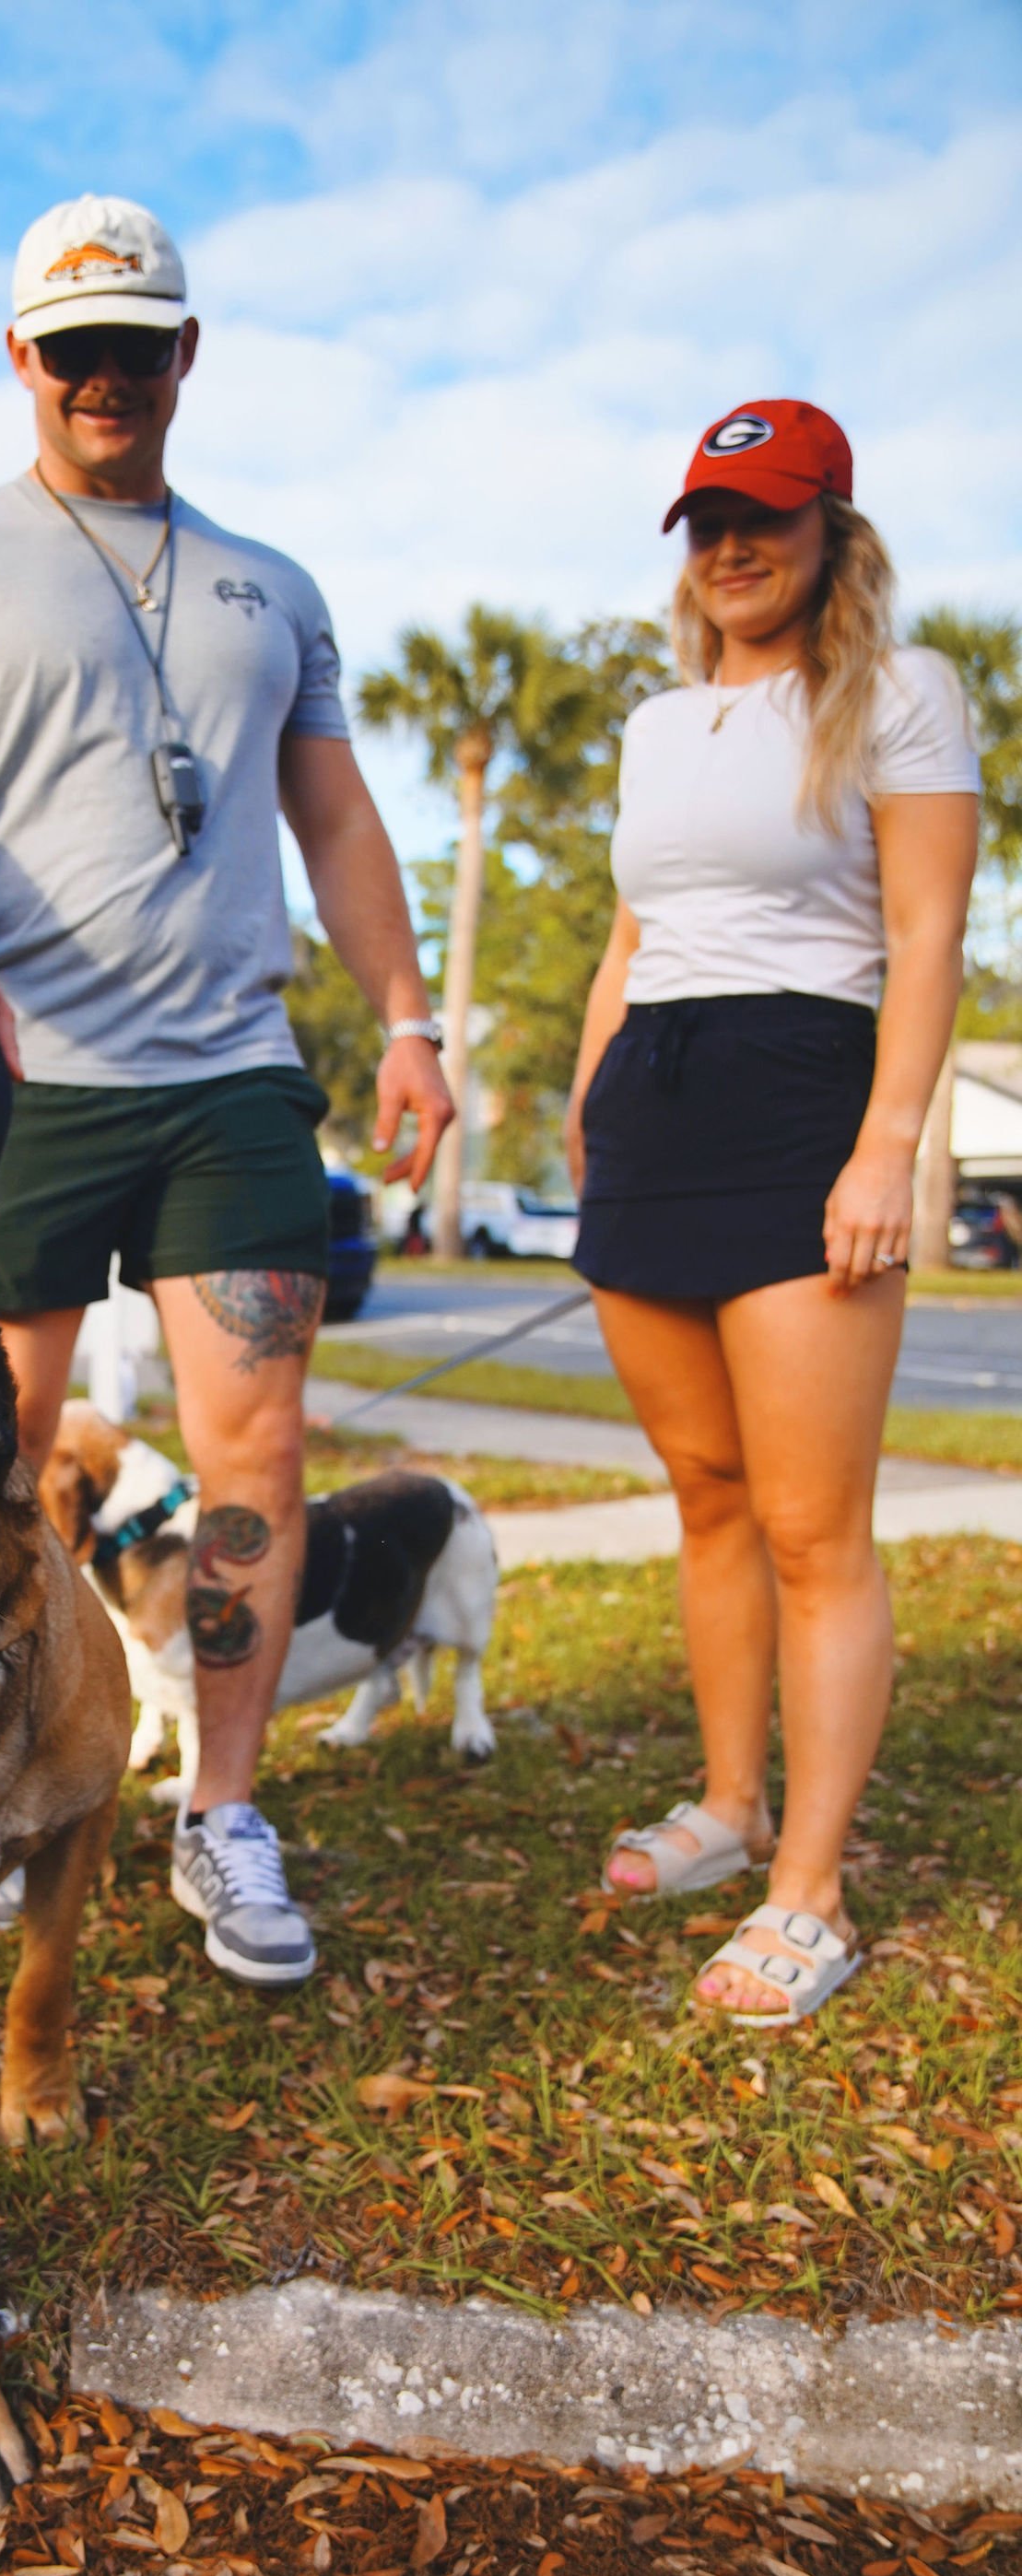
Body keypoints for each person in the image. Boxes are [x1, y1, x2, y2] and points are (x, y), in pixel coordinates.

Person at [0, 193, 452, 1988]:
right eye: (73, 345)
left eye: (138, 341)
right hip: (24, 1071)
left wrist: (408, 1018)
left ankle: (223, 1815)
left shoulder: (275, 586)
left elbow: (333, 817)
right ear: (23, 358)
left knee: (252, 1463)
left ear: (186, 353)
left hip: (233, 1078)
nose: (106, 373)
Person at [564, 400, 980, 2025]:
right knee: (706, 1491)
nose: (732, 546)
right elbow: (630, 939)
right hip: (651, 1110)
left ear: (833, 532)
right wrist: (592, 1113)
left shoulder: (900, 694)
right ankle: (732, 1812)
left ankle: (811, 1893)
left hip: (806, 1097)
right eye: (708, 520)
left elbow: (930, 937)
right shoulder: (659, 725)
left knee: (815, 1532)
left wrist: (888, 1145)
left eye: (768, 516)